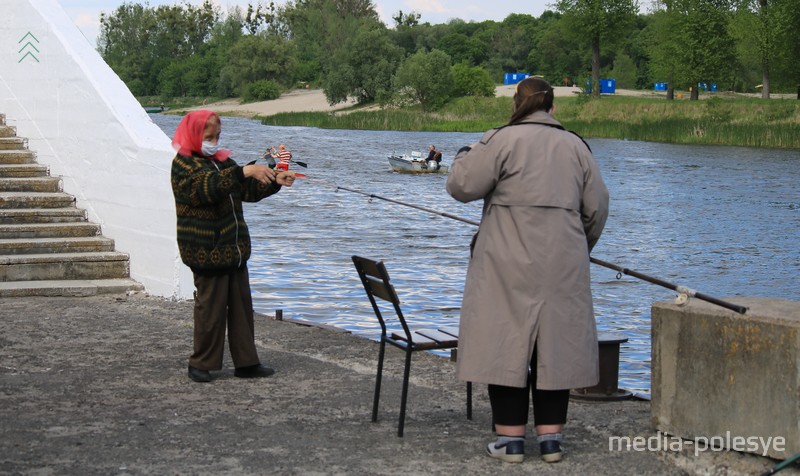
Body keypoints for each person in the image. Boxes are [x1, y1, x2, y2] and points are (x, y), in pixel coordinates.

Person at [445, 77, 609, 464]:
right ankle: (552, 440)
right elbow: (597, 208)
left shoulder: (500, 139)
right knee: (556, 346)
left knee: (507, 344)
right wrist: (577, 245)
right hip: (564, 264)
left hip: (505, 263)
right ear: (553, 108)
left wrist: (464, 152)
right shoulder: (577, 146)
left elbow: (461, 185)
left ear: (516, 105)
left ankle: (510, 441)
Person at [170, 110, 296, 383]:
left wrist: (275, 180)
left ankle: (247, 363)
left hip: (234, 250)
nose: (214, 141)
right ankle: (201, 363)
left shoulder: (222, 161)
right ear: (194, 135)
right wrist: (243, 171)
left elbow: (246, 190)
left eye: (218, 136)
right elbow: (205, 189)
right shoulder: (184, 164)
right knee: (210, 310)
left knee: (241, 309)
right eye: (209, 136)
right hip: (206, 250)